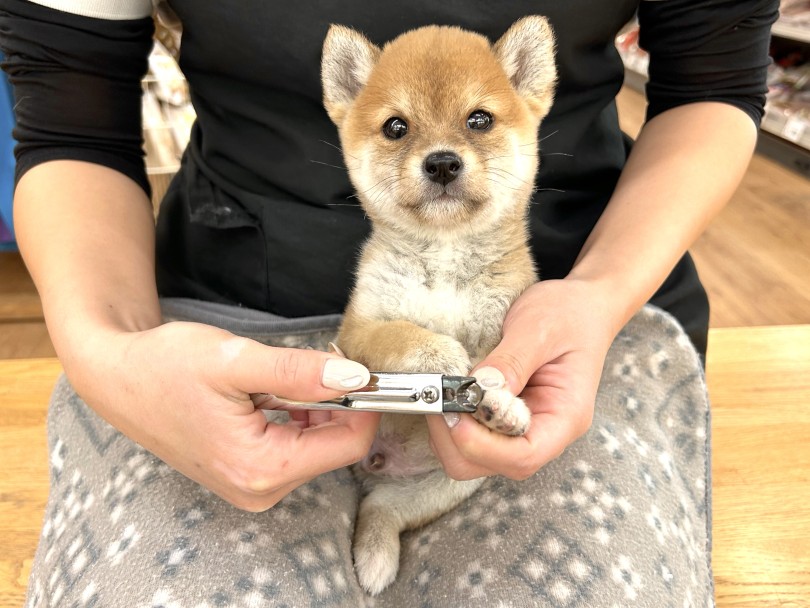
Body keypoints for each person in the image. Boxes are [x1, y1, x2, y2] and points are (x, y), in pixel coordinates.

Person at [1, 1, 777, 606]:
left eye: (478, 121)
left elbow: (712, 82)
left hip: (578, 310)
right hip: (219, 328)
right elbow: (71, 117)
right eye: (399, 129)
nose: (441, 153)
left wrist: (597, 295)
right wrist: (109, 352)